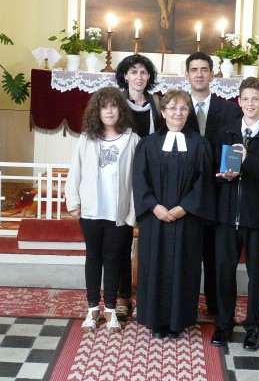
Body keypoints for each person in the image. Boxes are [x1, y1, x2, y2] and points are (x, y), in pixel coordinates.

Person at [211, 77, 259, 351]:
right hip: (227, 216)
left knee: (257, 275)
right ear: (239, 101)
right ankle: (224, 323)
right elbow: (215, 172)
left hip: (258, 218)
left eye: (256, 99)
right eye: (246, 99)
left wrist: (247, 159)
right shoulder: (226, 132)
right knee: (224, 273)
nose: (250, 104)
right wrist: (224, 176)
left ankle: (253, 326)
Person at [133, 89, 216, 339]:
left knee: (185, 268)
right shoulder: (148, 144)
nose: (177, 113)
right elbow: (139, 179)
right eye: (172, 108)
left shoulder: (200, 144)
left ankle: (179, 320)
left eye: (183, 108)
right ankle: (156, 320)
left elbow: (204, 182)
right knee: (154, 266)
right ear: (163, 112)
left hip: (186, 219)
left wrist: (184, 207)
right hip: (155, 219)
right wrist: (154, 206)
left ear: (189, 112)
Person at [65, 87, 140, 334]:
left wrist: (133, 212)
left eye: (113, 106)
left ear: (121, 110)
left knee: (114, 259)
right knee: (93, 258)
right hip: (91, 211)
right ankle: (92, 308)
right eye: (104, 107)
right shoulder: (87, 138)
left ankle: (110, 309)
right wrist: (73, 202)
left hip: (119, 212)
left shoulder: (132, 139)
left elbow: (137, 179)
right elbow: (75, 171)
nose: (109, 111)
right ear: (96, 112)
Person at [184, 51, 242, 316]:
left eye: (204, 69)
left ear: (212, 74)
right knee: (187, 254)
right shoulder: (176, 108)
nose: (199, 74)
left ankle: (216, 307)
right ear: (187, 74)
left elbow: (240, 143)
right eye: (194, 70)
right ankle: (185, 307)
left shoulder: (230, 110)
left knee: (216, 255)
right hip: (186, 195)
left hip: (220, 193)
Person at [112, 54, 163, 320]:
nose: (139, 77)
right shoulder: (116, 103)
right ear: (125, 76)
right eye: (134, 72)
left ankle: (147, 294)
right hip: (123, 178)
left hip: (150, 179)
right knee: (122, 238)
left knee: (150, 239)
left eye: (143, 72)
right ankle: (123, 295)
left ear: (149, 76)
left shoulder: (157, 103)